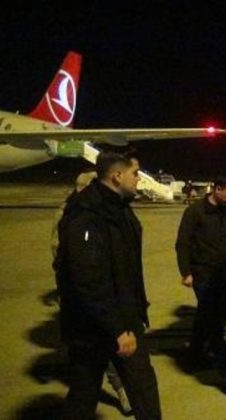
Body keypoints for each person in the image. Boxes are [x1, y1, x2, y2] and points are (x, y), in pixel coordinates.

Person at [54, 152, 161, 419]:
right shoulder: (86, 214)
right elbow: (88, 279)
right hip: (97, 325)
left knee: (140, 388)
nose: (139, 179)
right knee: (87, 391)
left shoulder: (119, 208)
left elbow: (126, 270)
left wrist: (138, 311)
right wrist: (117, 329)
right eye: (135, 173)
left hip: (122, 316)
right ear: (117, 175)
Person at [51, 170, 133, 415]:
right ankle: (120, 389)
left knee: (90, 366)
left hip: (92, 296)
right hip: (85, 298)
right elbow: (65, 257)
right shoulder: (77, 216)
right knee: (92, 363)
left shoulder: (98, 211)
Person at [174, 177, 226, 376]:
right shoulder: (195, 211)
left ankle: (196, 353)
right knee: (210, 314)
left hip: (224, 272)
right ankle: (221, 360)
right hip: (202, 272)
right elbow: (183, 243)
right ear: (217, 189)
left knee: (213, 314)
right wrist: (186, 272)